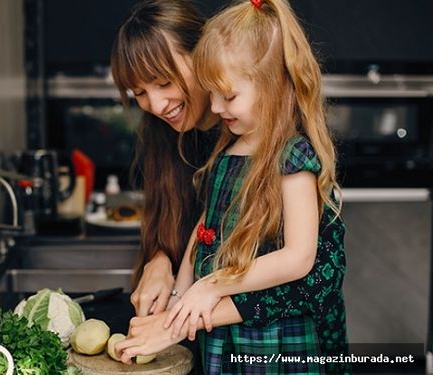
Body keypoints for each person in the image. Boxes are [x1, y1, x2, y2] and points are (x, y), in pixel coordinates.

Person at [114, 0, 349, 373]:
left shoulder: (291, 152)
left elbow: (306, 267)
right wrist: (170, 280)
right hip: (219, 341)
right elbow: (205, 227)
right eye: (139, 92)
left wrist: (204, 295)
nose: (155, 105)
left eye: (164, 82)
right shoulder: (224, 148)